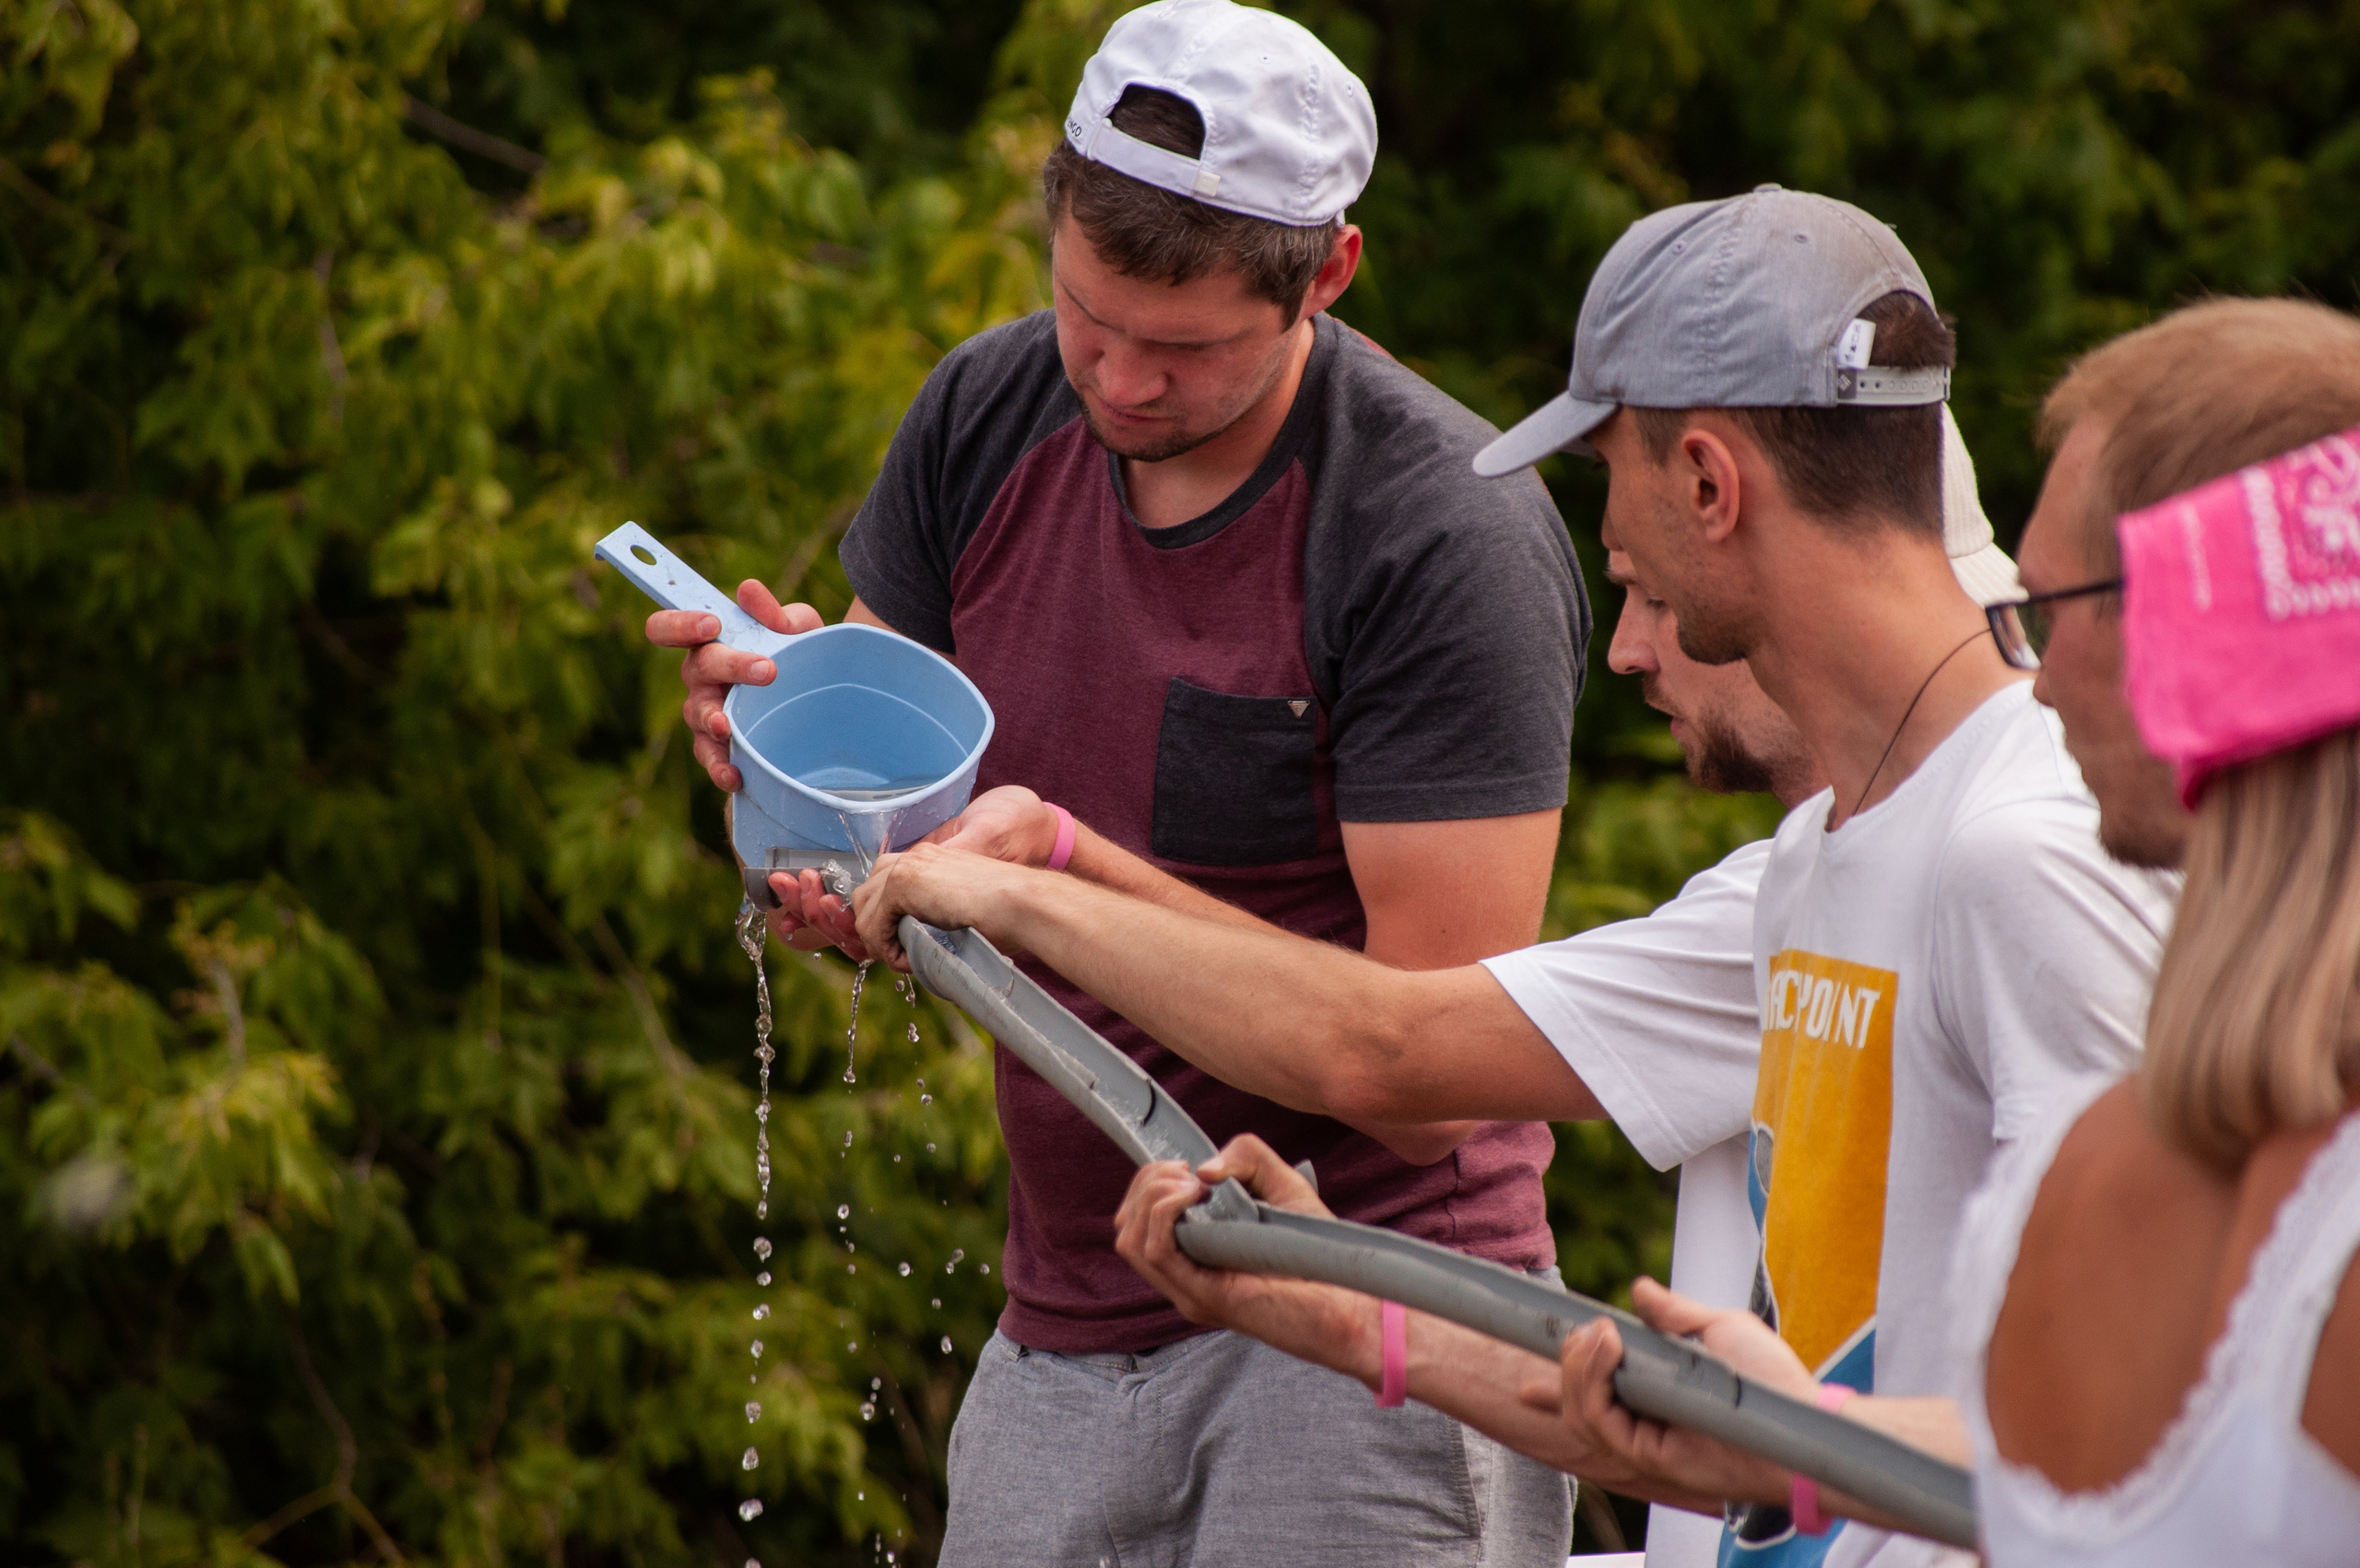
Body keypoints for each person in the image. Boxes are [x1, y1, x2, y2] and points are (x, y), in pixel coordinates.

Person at [855, 188, 2178, 1566]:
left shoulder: (2029, 851)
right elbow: (1396, 1041)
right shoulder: (1803, 874)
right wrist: (1323, 1300)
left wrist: (1025, 894)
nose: (1617, 630)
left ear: (1709, 483)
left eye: (1610, 478)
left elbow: (2137, 1430)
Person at [640, 3, 1588, 1560]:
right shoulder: (991, 410)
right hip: (1067, 1315)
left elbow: (1437, 1089)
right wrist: (789, 765)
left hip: (1370, 1311)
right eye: (1090, 314)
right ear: (1055, 223)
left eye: (1189, 345)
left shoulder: (1438, 535)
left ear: (1328, 274)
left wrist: (1057, 871)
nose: (1125, 382)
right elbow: (882, 847)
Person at [1541, 297, 2360, 1565]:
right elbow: (2042, 1486)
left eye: (2060, 598)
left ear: (2227, 640)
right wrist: (1800, 1439)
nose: (2034, 663)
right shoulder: (2172, 1129)